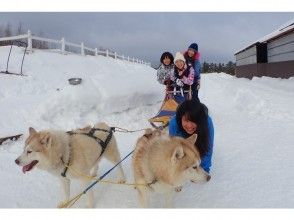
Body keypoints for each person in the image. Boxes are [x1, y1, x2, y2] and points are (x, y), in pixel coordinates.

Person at [169, 99, 214, 173]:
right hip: (182, 138)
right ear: (180, 118)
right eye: (186, 120)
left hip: (199, 137)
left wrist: (203, 169)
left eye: (194, 121)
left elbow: (208, 148)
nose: (189, 126)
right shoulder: (174, 123)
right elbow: (173, 149)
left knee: (201, 147)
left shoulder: (207, 122)